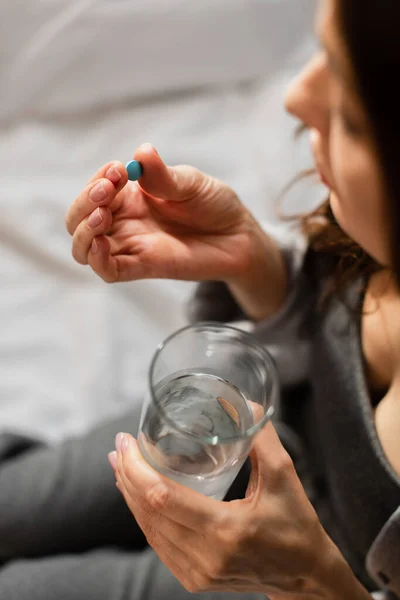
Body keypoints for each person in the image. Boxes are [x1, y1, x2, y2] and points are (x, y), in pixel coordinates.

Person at [0, 0, 399, 598]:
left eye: (350, 107)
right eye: (322, 54)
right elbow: (320, 336)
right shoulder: (369, 235)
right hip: (237, 425)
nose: (296, 97)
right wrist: (255, 263)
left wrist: (308, 576)